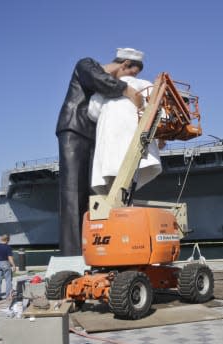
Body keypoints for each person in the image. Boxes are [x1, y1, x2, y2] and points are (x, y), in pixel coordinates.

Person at [55, 47, 145, 256]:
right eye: (132, 73)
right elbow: (101, 80)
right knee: (73, 192)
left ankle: (90, 250)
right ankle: (72, 256)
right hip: (74, 130)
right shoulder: (86, 64)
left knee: (93, 194)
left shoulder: (105, 90)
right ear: (124, 65)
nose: (132, 79)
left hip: (94, 137)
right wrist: (129, 91)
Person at [88, 75, 161, 194]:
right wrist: (161, 138)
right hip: (136, 137)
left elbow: (93, 111)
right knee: (130, 175)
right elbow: (156, 105)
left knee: (113, 177)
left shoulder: (103, 91)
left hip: (110, 138)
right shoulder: (142, 84)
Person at [0, 234, 16, 301]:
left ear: (1, 239)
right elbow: (10, 257)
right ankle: (8, 296)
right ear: (7, 240)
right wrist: (13, 265)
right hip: (5, 263)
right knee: (8, 280)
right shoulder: (8, 247)